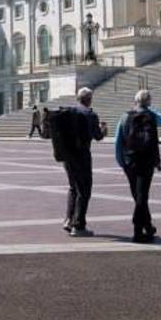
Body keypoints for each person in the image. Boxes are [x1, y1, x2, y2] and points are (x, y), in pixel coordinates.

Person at [115, 89, 161, 243]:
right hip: (147, 161)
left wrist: (121, 161)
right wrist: (149, 107)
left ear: (135, 100)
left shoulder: (125, 116)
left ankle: (148, 227)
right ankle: (138, 231)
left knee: (138, 196)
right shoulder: (151, 116)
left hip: (130, 161)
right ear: (149, 102)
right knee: (142, 196)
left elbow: (119, 141)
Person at [56, 87, 107, 237]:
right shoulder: (90, 115)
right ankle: (78, 226)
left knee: (73, 187)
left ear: (78, 98)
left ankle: (68, 220)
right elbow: (97, 136)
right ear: (89, 99)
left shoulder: (68, 112)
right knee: (84, 190)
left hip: (67, 155)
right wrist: (103, 130)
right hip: (82, 155)